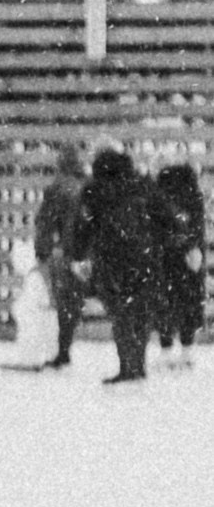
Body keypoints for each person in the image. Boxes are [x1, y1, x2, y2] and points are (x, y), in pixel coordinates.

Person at [72, 146, 161, 383]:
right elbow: (165, 217)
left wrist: (78, 256)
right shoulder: (141, 184)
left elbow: (83, 226)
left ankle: (127, 367)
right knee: (140, 314)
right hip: (144, 258)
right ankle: (138, 365)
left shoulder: (94, 188)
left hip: (111, 260)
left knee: (121, 315)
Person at [34, 145, 87, 366]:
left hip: (63, 253)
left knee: (63, 302)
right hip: (84, 252)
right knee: (73, 303)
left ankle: (62, 350)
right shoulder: (86, 186)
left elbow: (45, 222)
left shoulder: (57, 188)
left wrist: (43, 251)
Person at [150, 160, 204, 363]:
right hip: (189, 255)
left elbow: (154, 226)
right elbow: (197, 225)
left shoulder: (159, 192)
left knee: (165, 301)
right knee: (189, 300)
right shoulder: (193, 192)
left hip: (165, 254)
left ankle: (166, 348)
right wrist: (193, 246)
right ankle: (188, 348)